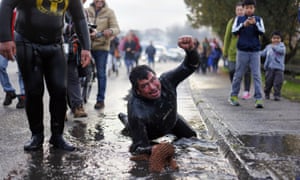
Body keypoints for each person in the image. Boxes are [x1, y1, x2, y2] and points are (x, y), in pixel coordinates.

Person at [0, 0, 91, 151]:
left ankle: (57, 136)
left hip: (56, 43)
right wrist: (4, 38)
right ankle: (37, 135)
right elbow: (7, 4)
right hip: (27, 41)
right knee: (34, 91)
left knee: (60, 90)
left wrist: (86, 47)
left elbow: (79, 17)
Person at [118, 35, 199, 155]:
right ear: (138, 91)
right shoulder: (136, 110)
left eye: (153, 80)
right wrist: (157, 150)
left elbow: (189, 66)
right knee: (132, 128)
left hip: (171, 119)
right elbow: (138, 148)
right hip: (150, 132)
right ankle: (125, 119)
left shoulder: (166, 81)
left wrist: (191, 50)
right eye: (145, 85)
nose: (153, 87)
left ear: (156, 76)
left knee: (192, 137)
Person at [229, 0, 265, 108]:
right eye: (247, 8)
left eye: (251, 8)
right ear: (243, 8)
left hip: (255, 51)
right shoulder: (239, 19)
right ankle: (233, 96)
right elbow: (234, 32)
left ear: (254, 9)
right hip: (242, 51)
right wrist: (243, 25)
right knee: (238, 74)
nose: (249, 10)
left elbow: (262, 31)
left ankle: (258, 99)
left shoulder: (258, 19)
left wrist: (255, 24)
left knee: (257, 75)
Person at [85, 0, 120, 110]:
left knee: (101, 73)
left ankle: (100, 100)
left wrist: (110, 31)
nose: (99, 1)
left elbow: (116, 28)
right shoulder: (86, 10)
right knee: (80, 71)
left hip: (102, 47)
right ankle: (79, 98)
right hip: (87, 46)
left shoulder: (109, 12)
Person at [223, 2, 252, 100]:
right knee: (232, 70)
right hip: (233, 52)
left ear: (244, 10)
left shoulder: (249, 21)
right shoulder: (232, 22)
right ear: (235, 11)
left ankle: (246, 91)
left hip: (246, 50)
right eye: (238, 10)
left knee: (247, 72)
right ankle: (234, 88)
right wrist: (225, 51)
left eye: (241, 10)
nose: (240, 11)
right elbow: (227, 37)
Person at [260, 31, 286, 101]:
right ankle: (267, 93)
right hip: (269, 68)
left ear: (280, 39)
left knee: (277, 82)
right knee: (268, 82)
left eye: (278, 38)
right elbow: (263, 53)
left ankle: (277, 95)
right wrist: (256, 53)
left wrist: (274, 47)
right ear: (271, 39)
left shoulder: (282, 46)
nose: (276, 40)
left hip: (279, 68)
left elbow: (282, 51)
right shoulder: (268, 47)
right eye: (274, 38)